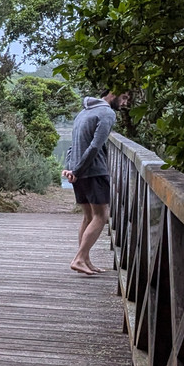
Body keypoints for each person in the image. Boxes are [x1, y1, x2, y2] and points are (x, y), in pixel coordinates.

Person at [63, 90, 129, 275]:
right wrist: (77, 170)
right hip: (94, 172)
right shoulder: (107, 113)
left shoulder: (84, 111)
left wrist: (71, 168)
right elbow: (95, 146)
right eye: (124, 98)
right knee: (101, 215)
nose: (124, 103)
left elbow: (73, 144)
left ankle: (85, 260)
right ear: (113, 93)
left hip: (79, 171)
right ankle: (79, 258)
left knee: (88, 217)